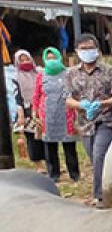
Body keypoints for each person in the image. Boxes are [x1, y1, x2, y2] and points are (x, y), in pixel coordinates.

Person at [64, 33, 112, 206]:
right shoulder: (71, 74)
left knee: (99, 154)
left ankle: (101, 196)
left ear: (97, 50)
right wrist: (81, 105)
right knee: (95, 157)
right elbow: (67, 99)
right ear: (76, 51)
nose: (87, 51)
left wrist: (102, 103)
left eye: (90, 48)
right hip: (84, 122)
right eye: (83, 49)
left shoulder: (109, 72)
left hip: (106, 118)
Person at [32, 47, 79, 182]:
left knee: (69, 145)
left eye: (54, 58)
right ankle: (54, 175)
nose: (52, 61)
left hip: (66, 113)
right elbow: (36, 95)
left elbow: (75, 93)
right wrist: (35, 112)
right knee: (50, 146)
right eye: (49, 58)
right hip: (47, 114)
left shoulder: (68, 74)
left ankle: (74, 174)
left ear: (59, 58)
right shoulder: (41, 76)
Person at [12, 49, 46, 172]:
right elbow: (17, 96)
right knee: (32, 139)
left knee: (45, 136)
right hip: (27, 111)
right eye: (22, 60)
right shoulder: (16, 78)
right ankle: (39, 165)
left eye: (27, 59)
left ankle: (50, 163)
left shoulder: (39, 73)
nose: (25, 62)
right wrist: (20, 113)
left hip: (42, 108)